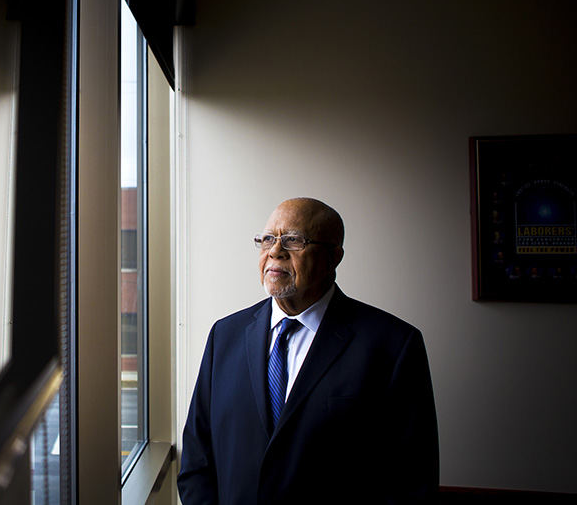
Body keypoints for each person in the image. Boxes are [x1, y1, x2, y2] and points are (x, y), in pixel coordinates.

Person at [178, 197, 438, 504]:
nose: (275, 251)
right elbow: (198, 456)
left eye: (294, 240)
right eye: (268, 239)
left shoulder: (393, 345)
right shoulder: (225, 335)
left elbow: (411, 480)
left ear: (333, 256)